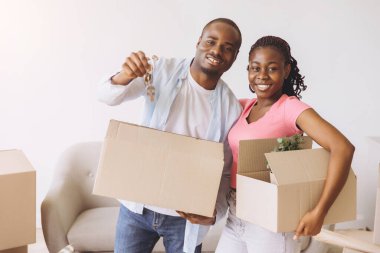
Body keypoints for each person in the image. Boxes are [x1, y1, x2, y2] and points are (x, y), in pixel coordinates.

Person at [97, 18, 243, 253]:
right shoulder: (160, 70)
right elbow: (106, 96)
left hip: (184, 219)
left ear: (234, 57)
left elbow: (225, 170)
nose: (217, 50)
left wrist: (212, 212)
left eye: (227, 48)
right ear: (198, 42)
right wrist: (124, 75)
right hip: (136, 207)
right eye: (211, 41)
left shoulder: (231, 108)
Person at [215, 35, 355, 253]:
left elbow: (343, 148)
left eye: (272, 68)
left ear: (286, 70)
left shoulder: (290, 108)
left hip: (269, 223)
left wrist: (320, 211)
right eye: (255, 68)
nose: (262, 76)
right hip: (235, 215)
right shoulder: (243, 106)